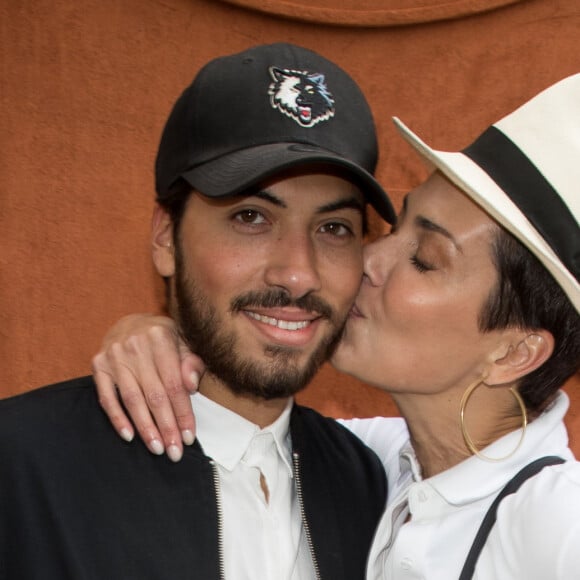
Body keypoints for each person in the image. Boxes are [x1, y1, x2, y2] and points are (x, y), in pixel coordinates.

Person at [94, 73, 580, 579]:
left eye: (426, 259)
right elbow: (245, 421)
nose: (367, 259)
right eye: (396, 228)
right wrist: (156, 333)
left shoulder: (560, 523)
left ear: (513, 354)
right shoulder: (374, 461)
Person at [0, 43, 396, 579]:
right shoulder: (23, 466)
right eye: (252, 217)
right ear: (166, 238)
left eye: (334, 228)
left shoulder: (369, 483)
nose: (299, 274)